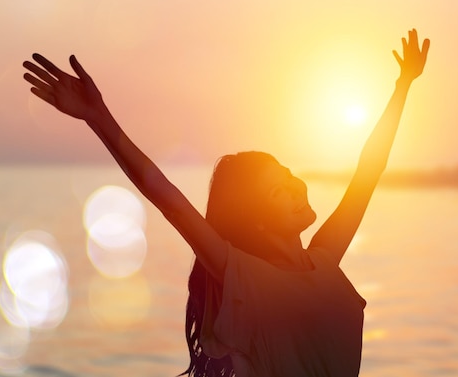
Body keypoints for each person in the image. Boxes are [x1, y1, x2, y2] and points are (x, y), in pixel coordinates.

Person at [23, 29, 429, 377]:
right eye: (278, 191)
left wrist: (402, 86)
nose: (296, 187)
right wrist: (99, 117)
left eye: (289, 177)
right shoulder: (242, 276)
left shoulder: (323, 259)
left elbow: (367, 173)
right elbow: (167, 198)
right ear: (257, 221)